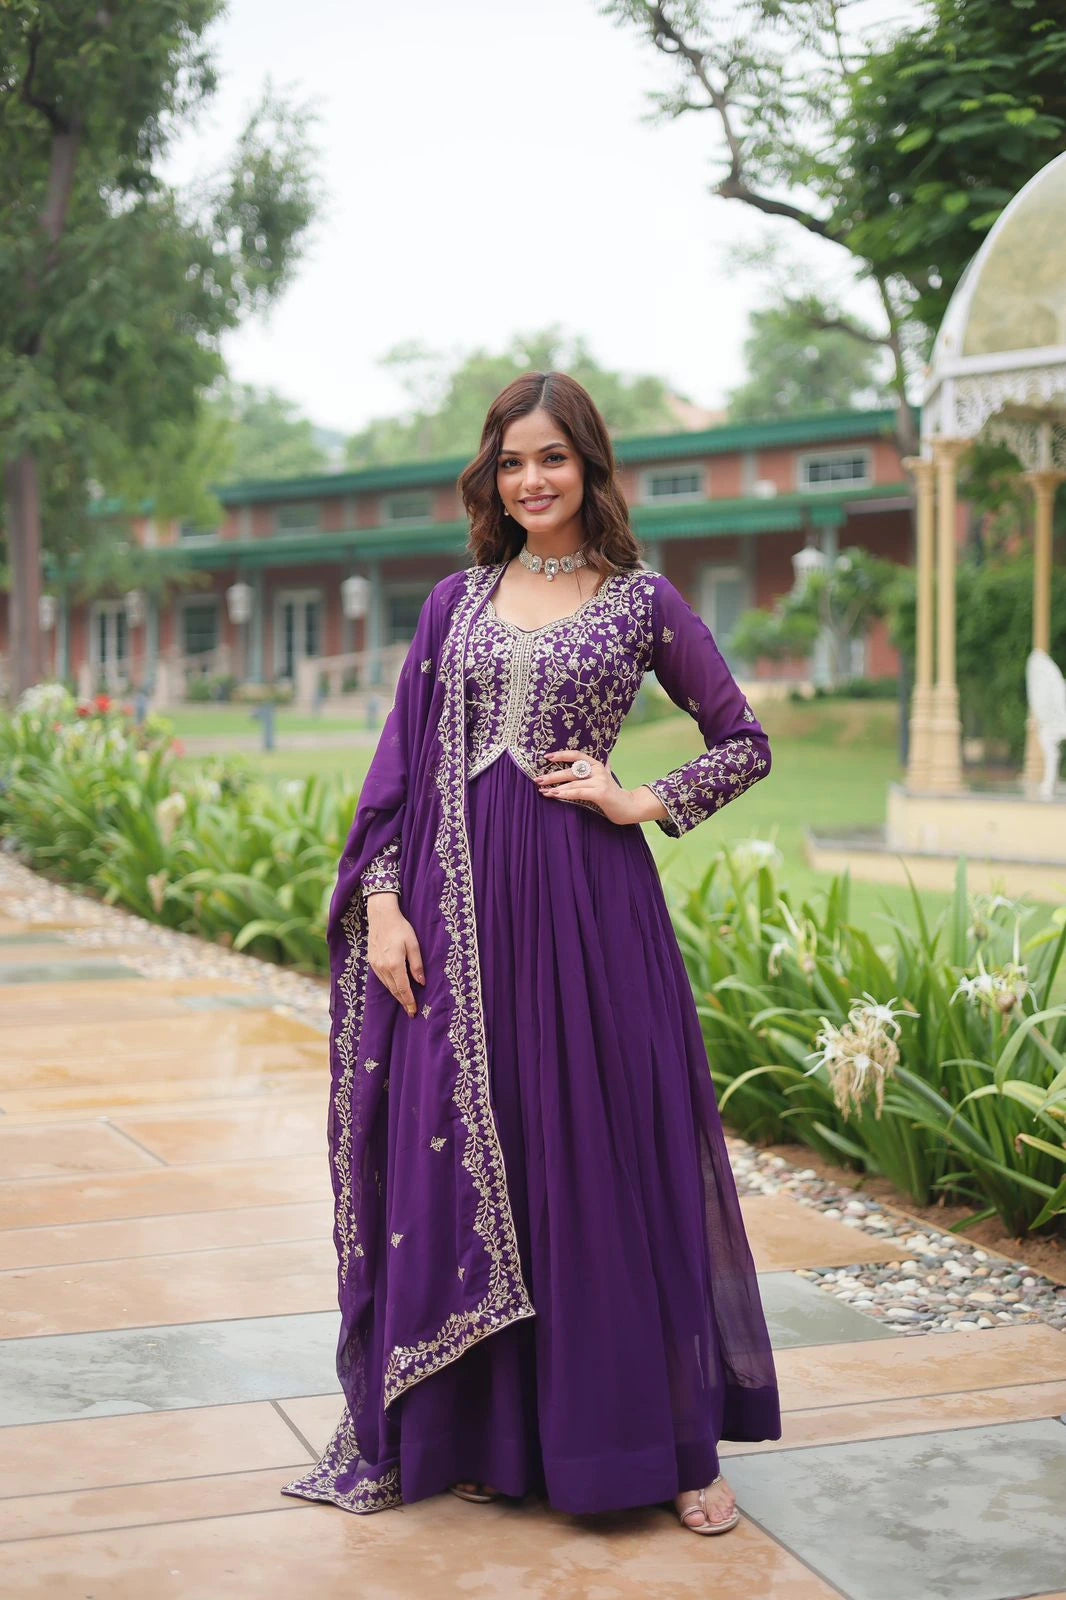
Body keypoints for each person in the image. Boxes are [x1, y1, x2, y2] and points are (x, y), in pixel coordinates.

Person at [281, 371, 781, 1536]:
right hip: (457, 917)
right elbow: (401, 767)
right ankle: (497, 1435)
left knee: (601, 1158)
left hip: (588, 917)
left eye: (550, 457)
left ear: (588, 465)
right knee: (477, 1162)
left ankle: (666, 1446)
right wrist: (386, 907)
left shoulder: (642, 600)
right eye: (511, 462)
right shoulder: (454, 603)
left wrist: (639, 798)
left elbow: (743, 740)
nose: (531, 480)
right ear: (491, 477)